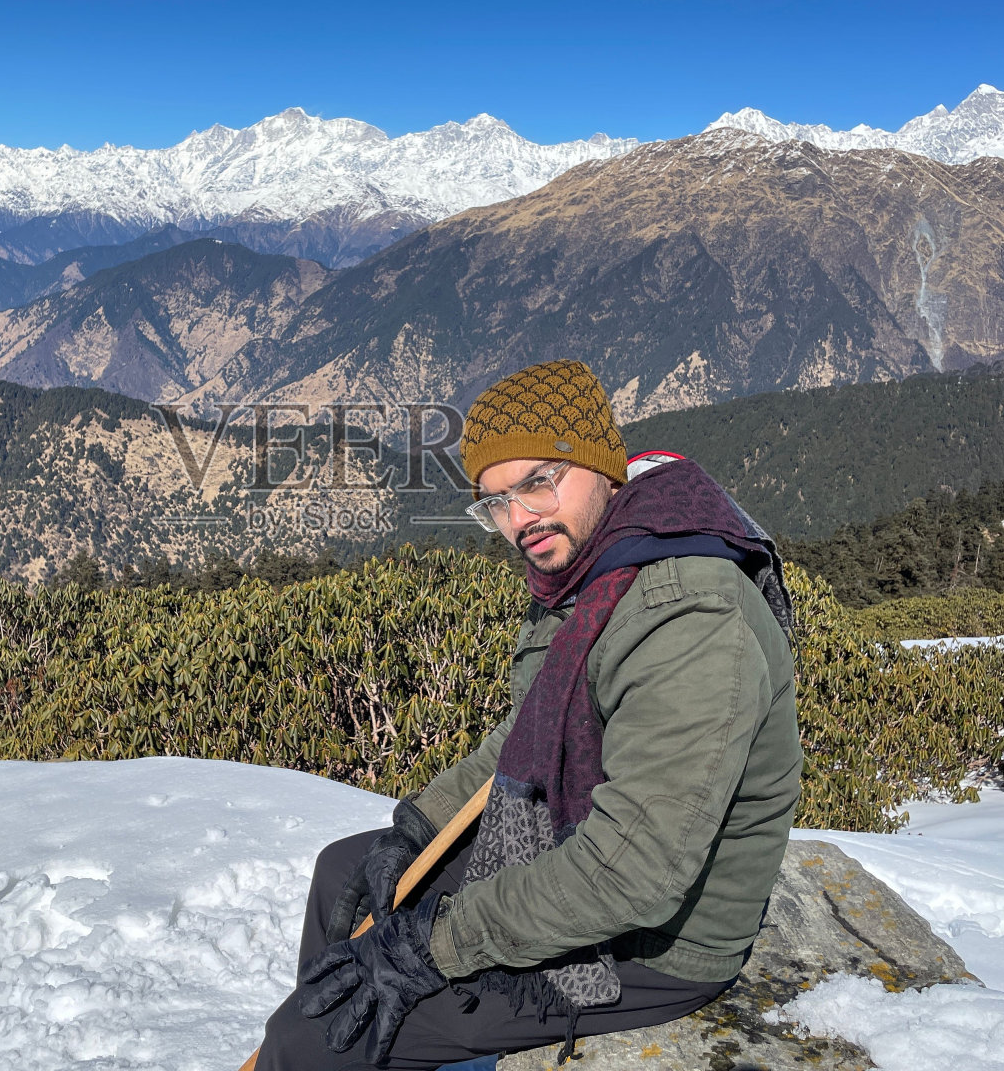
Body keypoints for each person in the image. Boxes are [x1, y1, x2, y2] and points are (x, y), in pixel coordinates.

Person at [256, 358, 801, 1070]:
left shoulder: (687, 618)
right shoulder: (599, 567)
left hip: (660, 938)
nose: (521, 520)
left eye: (540, 481)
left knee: (316, 1034)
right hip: (579, 846)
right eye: (497, 502)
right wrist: (414, 827)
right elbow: (527, 738)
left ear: (604, 468)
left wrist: (435, 945)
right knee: (346, 873)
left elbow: (633, 874)